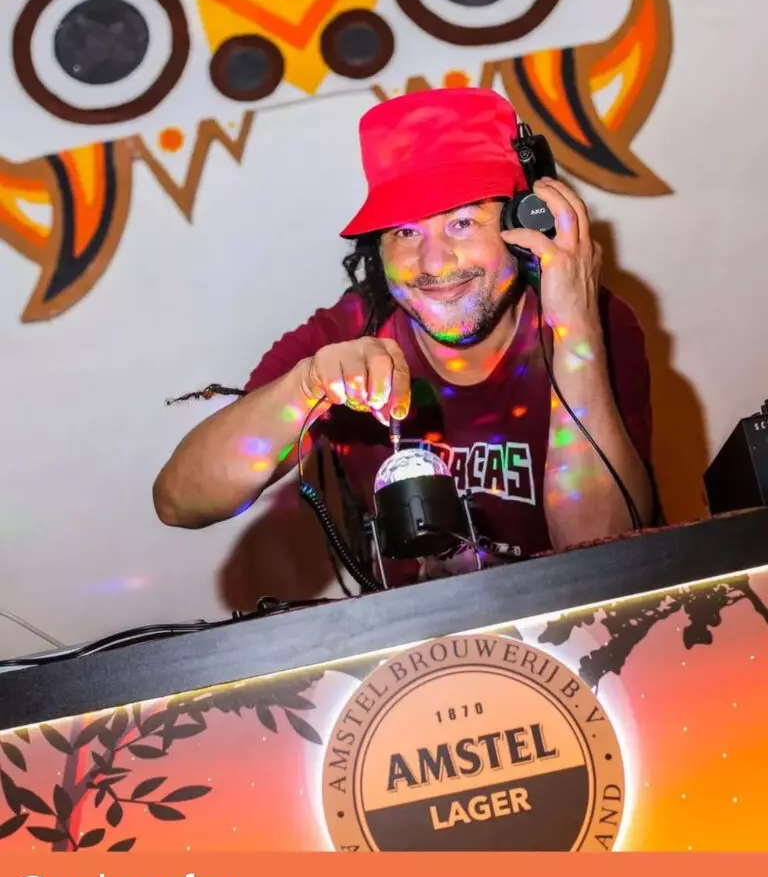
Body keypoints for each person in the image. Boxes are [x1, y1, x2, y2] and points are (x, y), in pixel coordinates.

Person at [153, 88, 655, 580]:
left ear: (526, 223)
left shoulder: (593, 325)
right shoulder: (347, 332)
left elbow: (606, 563)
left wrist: (576, 330)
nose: (433, 263)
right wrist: (304, 389)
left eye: (462, 223)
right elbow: (180, 501)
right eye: (406, 232)